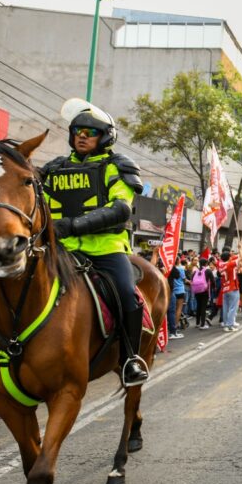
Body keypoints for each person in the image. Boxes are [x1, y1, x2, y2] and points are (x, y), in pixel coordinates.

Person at [41, 98, 148, 385]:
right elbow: (41, 205)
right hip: (59, 250)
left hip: (105, 250)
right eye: (77, 131)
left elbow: (120, 208)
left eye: (90, 132)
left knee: (127, 293)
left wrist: (71, 225)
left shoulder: (116, 166)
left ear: (105, 137)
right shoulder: (53, 169)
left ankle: (130, 359)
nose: (82, 136)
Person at [167, 256, 186, 339]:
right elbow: (181, 277)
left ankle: (169, 329)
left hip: (172, 290)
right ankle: (174, 328)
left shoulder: (165, 266)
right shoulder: (179, 269)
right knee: (176, 310)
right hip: (177, 291)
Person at [191, 258, 212, 330]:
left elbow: (192, 280)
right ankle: (202, 324)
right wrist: (214, 288)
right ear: (206, 264)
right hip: (204, 291)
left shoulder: (195, 271)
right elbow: (212, 280)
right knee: (203, 307)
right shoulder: (208, 271)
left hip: (197, 291)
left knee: (198, 307)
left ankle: (197, 323)